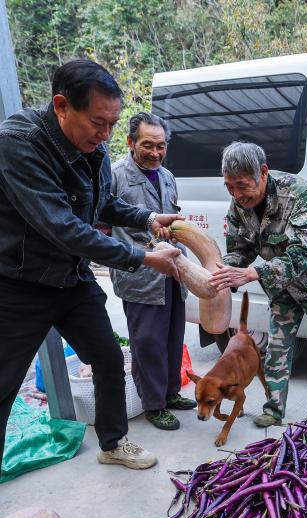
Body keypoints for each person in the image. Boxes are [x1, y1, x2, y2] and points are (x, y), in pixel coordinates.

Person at [0, 59, 183, 518]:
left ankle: (113, 442)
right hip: (12, 282)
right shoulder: (17, 144)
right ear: (61, 106)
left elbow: (100, 207)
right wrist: (141, 257)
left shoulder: (91, 147)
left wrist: (147, 217)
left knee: (106, 358)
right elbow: (62, 224)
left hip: (68, 279)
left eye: (113, 125)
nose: (106, 134)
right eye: (99, 123)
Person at [209, 141, 307, 429]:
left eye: (242, 186)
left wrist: (256, 274)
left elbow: (304, 251)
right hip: (283, 285)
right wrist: (225, 269)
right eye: (229, 187)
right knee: (278, 348)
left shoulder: (298, 193)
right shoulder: (238, 205)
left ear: (263, 172)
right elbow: (240, 247)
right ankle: (274, 409)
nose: (237, 195)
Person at [109, 112, 197, 431]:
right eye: (148, 145)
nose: (155, 153)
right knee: (147, 341)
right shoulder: (114, 175)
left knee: (173, 335)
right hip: (140, 273)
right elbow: (105, 224)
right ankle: (153, 404)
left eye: (161, 146)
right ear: (131, 142)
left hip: (173, 269)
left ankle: (171, 392)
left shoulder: (167, 175)